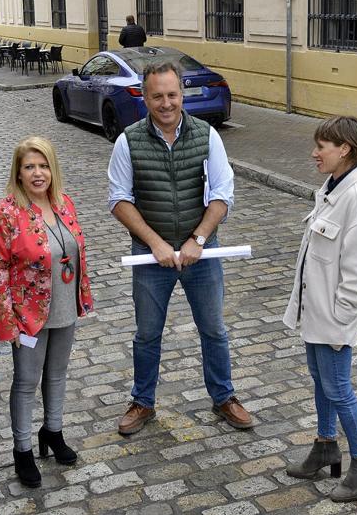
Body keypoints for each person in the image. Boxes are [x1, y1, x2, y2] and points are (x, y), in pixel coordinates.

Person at [107, 60, 253, 436]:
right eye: (157, 96)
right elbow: (119, 200)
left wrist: (198, 240)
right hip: (150, 255)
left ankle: (224, 397)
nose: (166, 103)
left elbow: (222, 196)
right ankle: (143, 401)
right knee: (147, 333)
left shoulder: (207, 136)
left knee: (214, 329)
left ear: (181, 95)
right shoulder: (128, 141)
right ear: (145, 96)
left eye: (172, 95)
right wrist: (154, 243)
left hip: (202, 254)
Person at [0, 136, 94, 488]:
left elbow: (75, 252)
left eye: (43, 165)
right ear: (18, 173)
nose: (38, 173)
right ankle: (22, 450)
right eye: (29, 166)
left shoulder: (64, 204)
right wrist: (7, 321)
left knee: (58, 374)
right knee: (27, 381)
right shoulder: (6, 214)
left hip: (64, 305)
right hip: (27, 314)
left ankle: (53, 431)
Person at [283, 116, 357, 502]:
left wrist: (341, 320)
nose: (314, 153)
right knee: (320, 381)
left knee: (339, 389)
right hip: (315, 311)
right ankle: (326, 446)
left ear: (344, 149)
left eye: (321, 146)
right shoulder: (332, 186)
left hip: (333, 317)